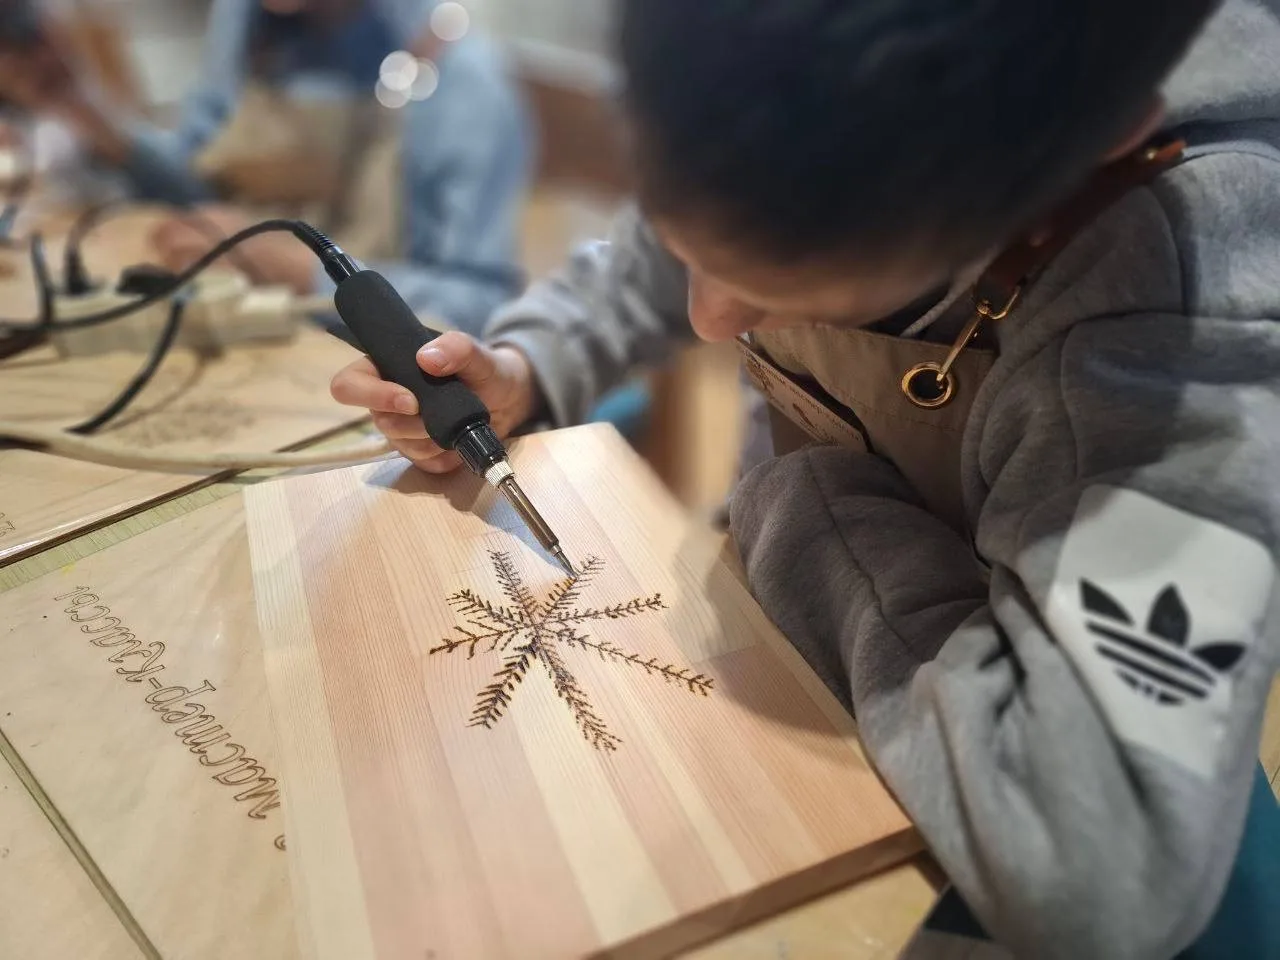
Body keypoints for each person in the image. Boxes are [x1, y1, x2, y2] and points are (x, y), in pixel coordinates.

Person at [331, 0, 1280, 956]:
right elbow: (659, 259)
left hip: (996, 795)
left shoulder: (1179, 309)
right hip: (814, 681)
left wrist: (803, 502)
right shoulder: (771, 111)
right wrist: (528, 368)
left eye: (779, 290)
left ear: (1086, 151)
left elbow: (1094, 871)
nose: (709, 321)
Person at [0, 0, 531, 333]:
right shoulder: (249, 21)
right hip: (243, 332)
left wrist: (303, 271)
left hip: (362, 381)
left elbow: (481, 307)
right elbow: (202, 182)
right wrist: (86, 112)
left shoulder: (459, 79)